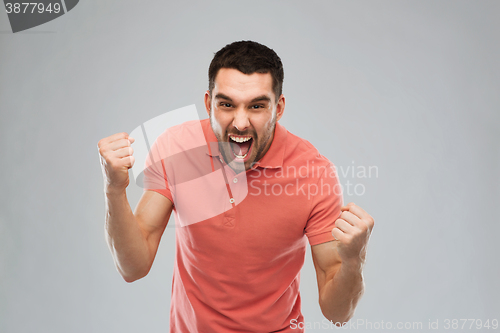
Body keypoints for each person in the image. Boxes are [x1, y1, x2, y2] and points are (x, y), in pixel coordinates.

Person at [98, 40, 374, 332]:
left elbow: (337, 315)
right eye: (227, 104)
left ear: (278, 108)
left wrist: (354, 259)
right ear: (208, 104)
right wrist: (113, 189)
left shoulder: (314, 174)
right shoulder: (175, 147)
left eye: (256, 106)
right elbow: (133, 266)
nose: (240, 123)